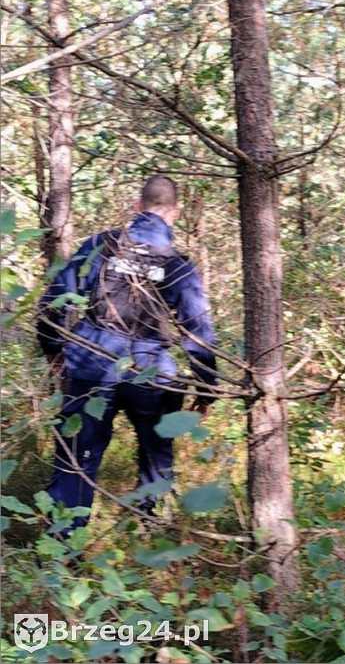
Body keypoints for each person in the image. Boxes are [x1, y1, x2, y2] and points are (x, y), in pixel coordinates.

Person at [37, 174, 218, 533]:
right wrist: (206, 387)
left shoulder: (101, 245)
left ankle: (62, 547)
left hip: (91, 362)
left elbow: (52, 303)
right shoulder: (177, 264)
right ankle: (151, 528)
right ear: (175, 213)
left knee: (77, 459)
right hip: (150, 371)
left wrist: (53, 349)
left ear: (137, 207)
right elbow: (198, 331)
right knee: (157, 449)